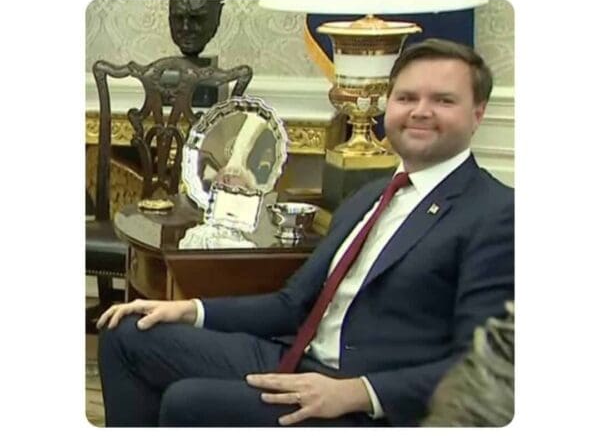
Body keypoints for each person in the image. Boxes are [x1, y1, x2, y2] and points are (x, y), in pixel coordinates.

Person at [97, 38, 514, 426]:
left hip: (366, 394)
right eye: (406, 98)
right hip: (299, 356)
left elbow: (482, 364)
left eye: (443, 100)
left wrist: (358, 392)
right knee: (128, 334)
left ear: (477, 114)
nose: (420, 111)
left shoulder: (496, 213)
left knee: (189, 401)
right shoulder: (371, 195)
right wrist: (191, 309)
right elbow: (292, 304)